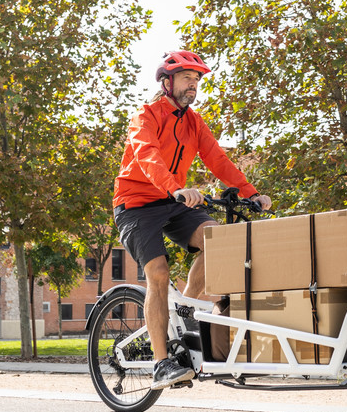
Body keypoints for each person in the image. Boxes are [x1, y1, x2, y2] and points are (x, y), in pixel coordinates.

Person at [113, 50, 272, 390]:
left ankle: (183, 314)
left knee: (217, 239)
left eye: (197, 80)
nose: (193, 85)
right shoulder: (146, 115)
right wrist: (176, 188)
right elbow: (146, 156)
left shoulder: (193, 121)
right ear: (167, 82)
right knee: (157, 273)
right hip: (137, 204)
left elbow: (217, 158)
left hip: (173, 201)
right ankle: (160, 363)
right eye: (187, 78)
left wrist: (251, 192)